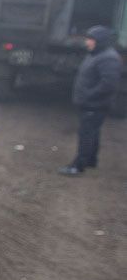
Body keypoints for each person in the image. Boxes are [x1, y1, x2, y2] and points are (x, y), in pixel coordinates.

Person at [58, 25, 123, 176]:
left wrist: (89, 95)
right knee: (93, 132)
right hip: (91, 102)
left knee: (86, 134)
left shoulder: (108, 58)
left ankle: (77, 166)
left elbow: (109, 84)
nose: (87, 42)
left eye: (90, 40)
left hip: (94, 104)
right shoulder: (97, 53)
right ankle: (91, 159)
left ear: (100, 41)